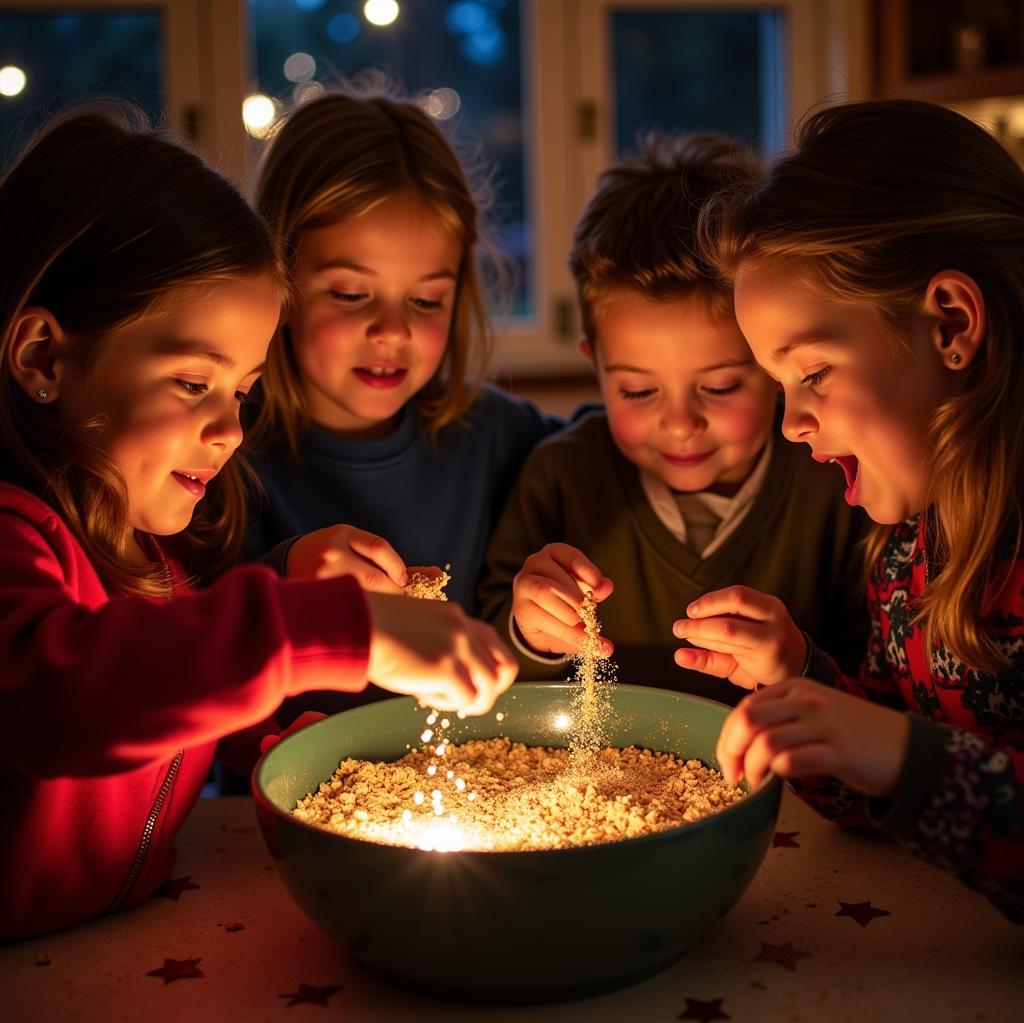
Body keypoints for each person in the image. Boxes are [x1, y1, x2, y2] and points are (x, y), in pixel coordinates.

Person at [0, 106, 516, 942]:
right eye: (191, 381)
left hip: (111, 939)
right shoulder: (15, 535)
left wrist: (310, 755)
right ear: (43, 359)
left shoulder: (142, 552)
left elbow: (183, 692)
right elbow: (67, 699)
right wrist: (339, 627)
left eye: (240, 390)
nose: (230, 430)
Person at [678, 100, 1023, 921]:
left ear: (950, 324)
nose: (791, 423)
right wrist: (802, 683)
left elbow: (915, 768)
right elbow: (889, 800)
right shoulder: (910, 547)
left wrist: (903, 758)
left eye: (814, 373)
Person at [478, 134, 869, 701]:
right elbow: (490, 650)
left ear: (771, 363)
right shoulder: (559, 479)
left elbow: (873, 681)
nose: (681, 424)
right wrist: (532, 632)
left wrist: (802, 663)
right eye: (638, 391)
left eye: (719, 386)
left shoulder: (834, 481)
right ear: (599, 368)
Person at [241, 87, 560, 719]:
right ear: (279, 283)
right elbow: (190, 638)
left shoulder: (501, 438)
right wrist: (288, 581)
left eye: (425, 300)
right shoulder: (220, 452)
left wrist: (541, 618)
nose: (393, 332)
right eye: (352, 295)